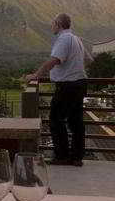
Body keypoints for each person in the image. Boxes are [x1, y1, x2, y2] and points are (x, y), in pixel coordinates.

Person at [25, 13, 91, 166]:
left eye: (53, 23)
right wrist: (75, 67)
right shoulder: (76, 39)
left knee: (56, 120)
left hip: (68, 85)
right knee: (76, 122)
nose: (51, 26)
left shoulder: (63, 39)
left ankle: (62, 156)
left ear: (58, 24)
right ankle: (76, 157)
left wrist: (35, 75)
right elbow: (88, 59)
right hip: (80, 83)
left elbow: (53, 61)